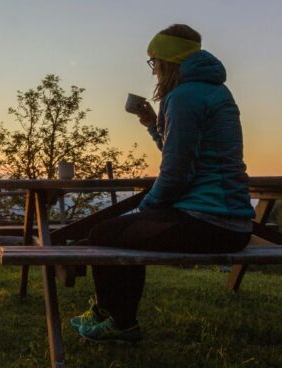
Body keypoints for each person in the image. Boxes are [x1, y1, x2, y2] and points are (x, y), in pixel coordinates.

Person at [71, 23, 254, 344]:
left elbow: (176, 174)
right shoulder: (214, 90)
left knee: (104, 235)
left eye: (153, 61)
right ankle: (112, 317)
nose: (153, 69)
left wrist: (146, 208)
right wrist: (152, 124)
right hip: (232, 220)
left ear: (168, 61)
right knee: (120, 232)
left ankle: (117, 321)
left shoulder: (183, 97)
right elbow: (183, 154)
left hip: (210, 223)